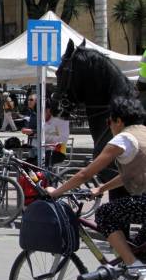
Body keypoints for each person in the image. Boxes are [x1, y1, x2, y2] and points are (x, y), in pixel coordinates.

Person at [49, 97, 146, 268]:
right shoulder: (143, 133)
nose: (109, 126)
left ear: (119, 121)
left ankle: (132, 265)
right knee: (137, 248)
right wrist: (102, 188)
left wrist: (56, 192)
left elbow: (85, 174)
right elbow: (130, 176)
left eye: (109, 121)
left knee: (104, 214)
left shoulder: (124, 139)